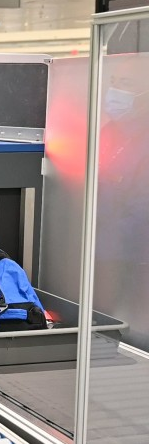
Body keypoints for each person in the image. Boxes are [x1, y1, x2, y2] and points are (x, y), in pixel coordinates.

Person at [94, 52, 149, 350]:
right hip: (102, 253)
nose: (114, 91)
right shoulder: (109, 131)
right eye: (113, 81)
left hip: (131, 259)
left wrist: (103, 247)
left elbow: (142, 211)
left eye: (125, 83)